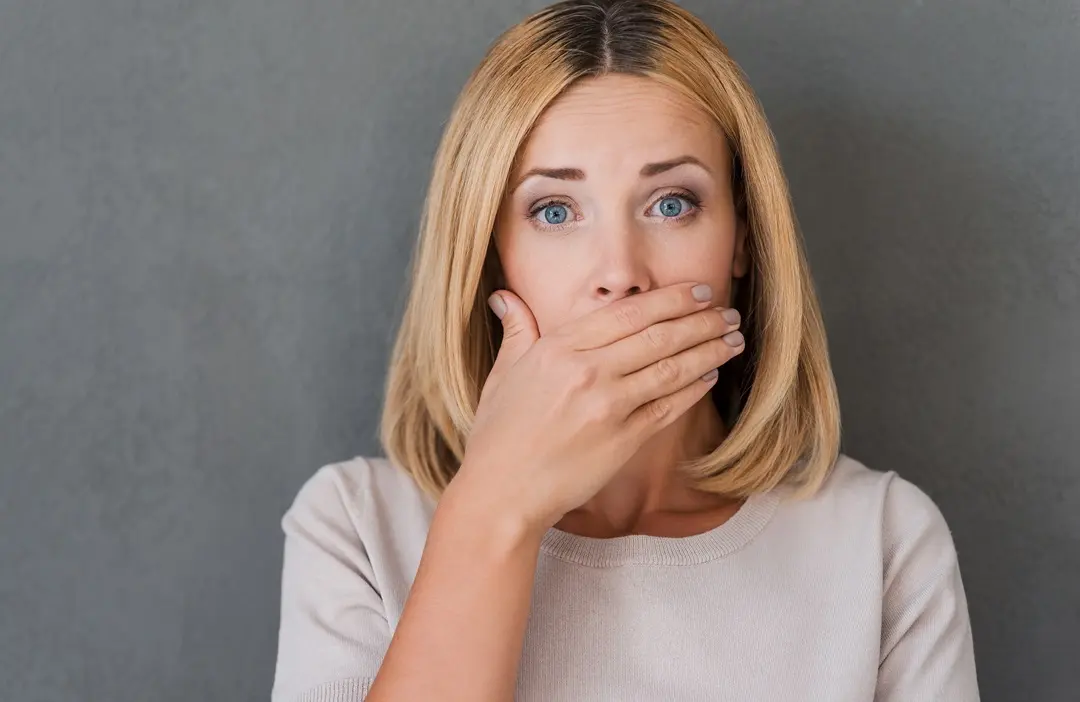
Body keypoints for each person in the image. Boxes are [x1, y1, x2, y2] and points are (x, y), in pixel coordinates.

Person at [270, 1, 980, 700]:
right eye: (554, 211)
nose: (620, 272)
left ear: (742, 238)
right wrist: (493, 510)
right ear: (491, 259)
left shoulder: (882, 543)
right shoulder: (357, 528)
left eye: (672, 203)